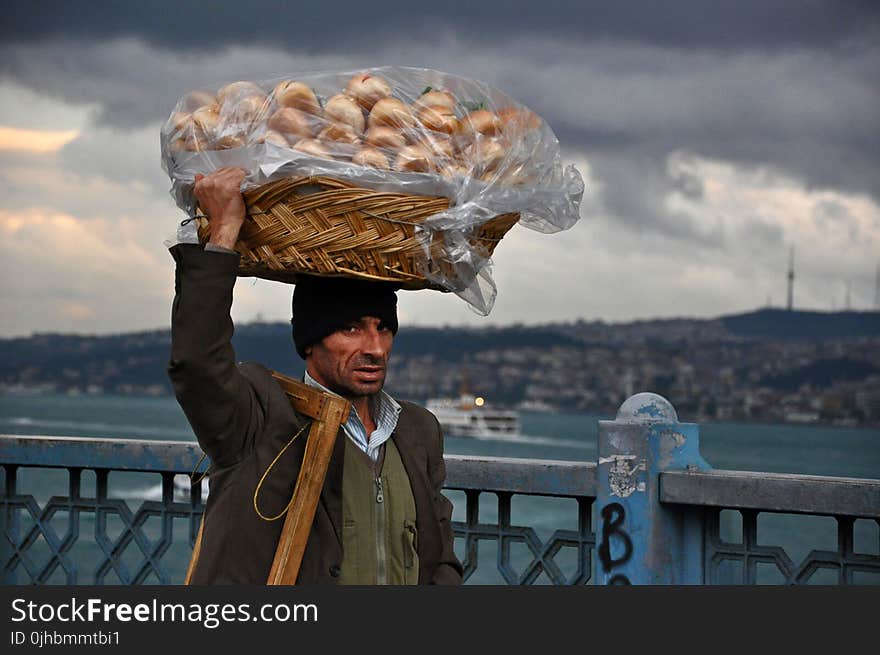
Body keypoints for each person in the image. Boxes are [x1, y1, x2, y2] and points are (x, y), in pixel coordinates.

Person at [167, 167, 462, 585]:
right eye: (351, 329)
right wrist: (223, 235)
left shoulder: (418, 431)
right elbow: (196, 364)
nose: (375, 348)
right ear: (309, 342)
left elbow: (438, 558)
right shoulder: (260, 417)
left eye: (383, 328)